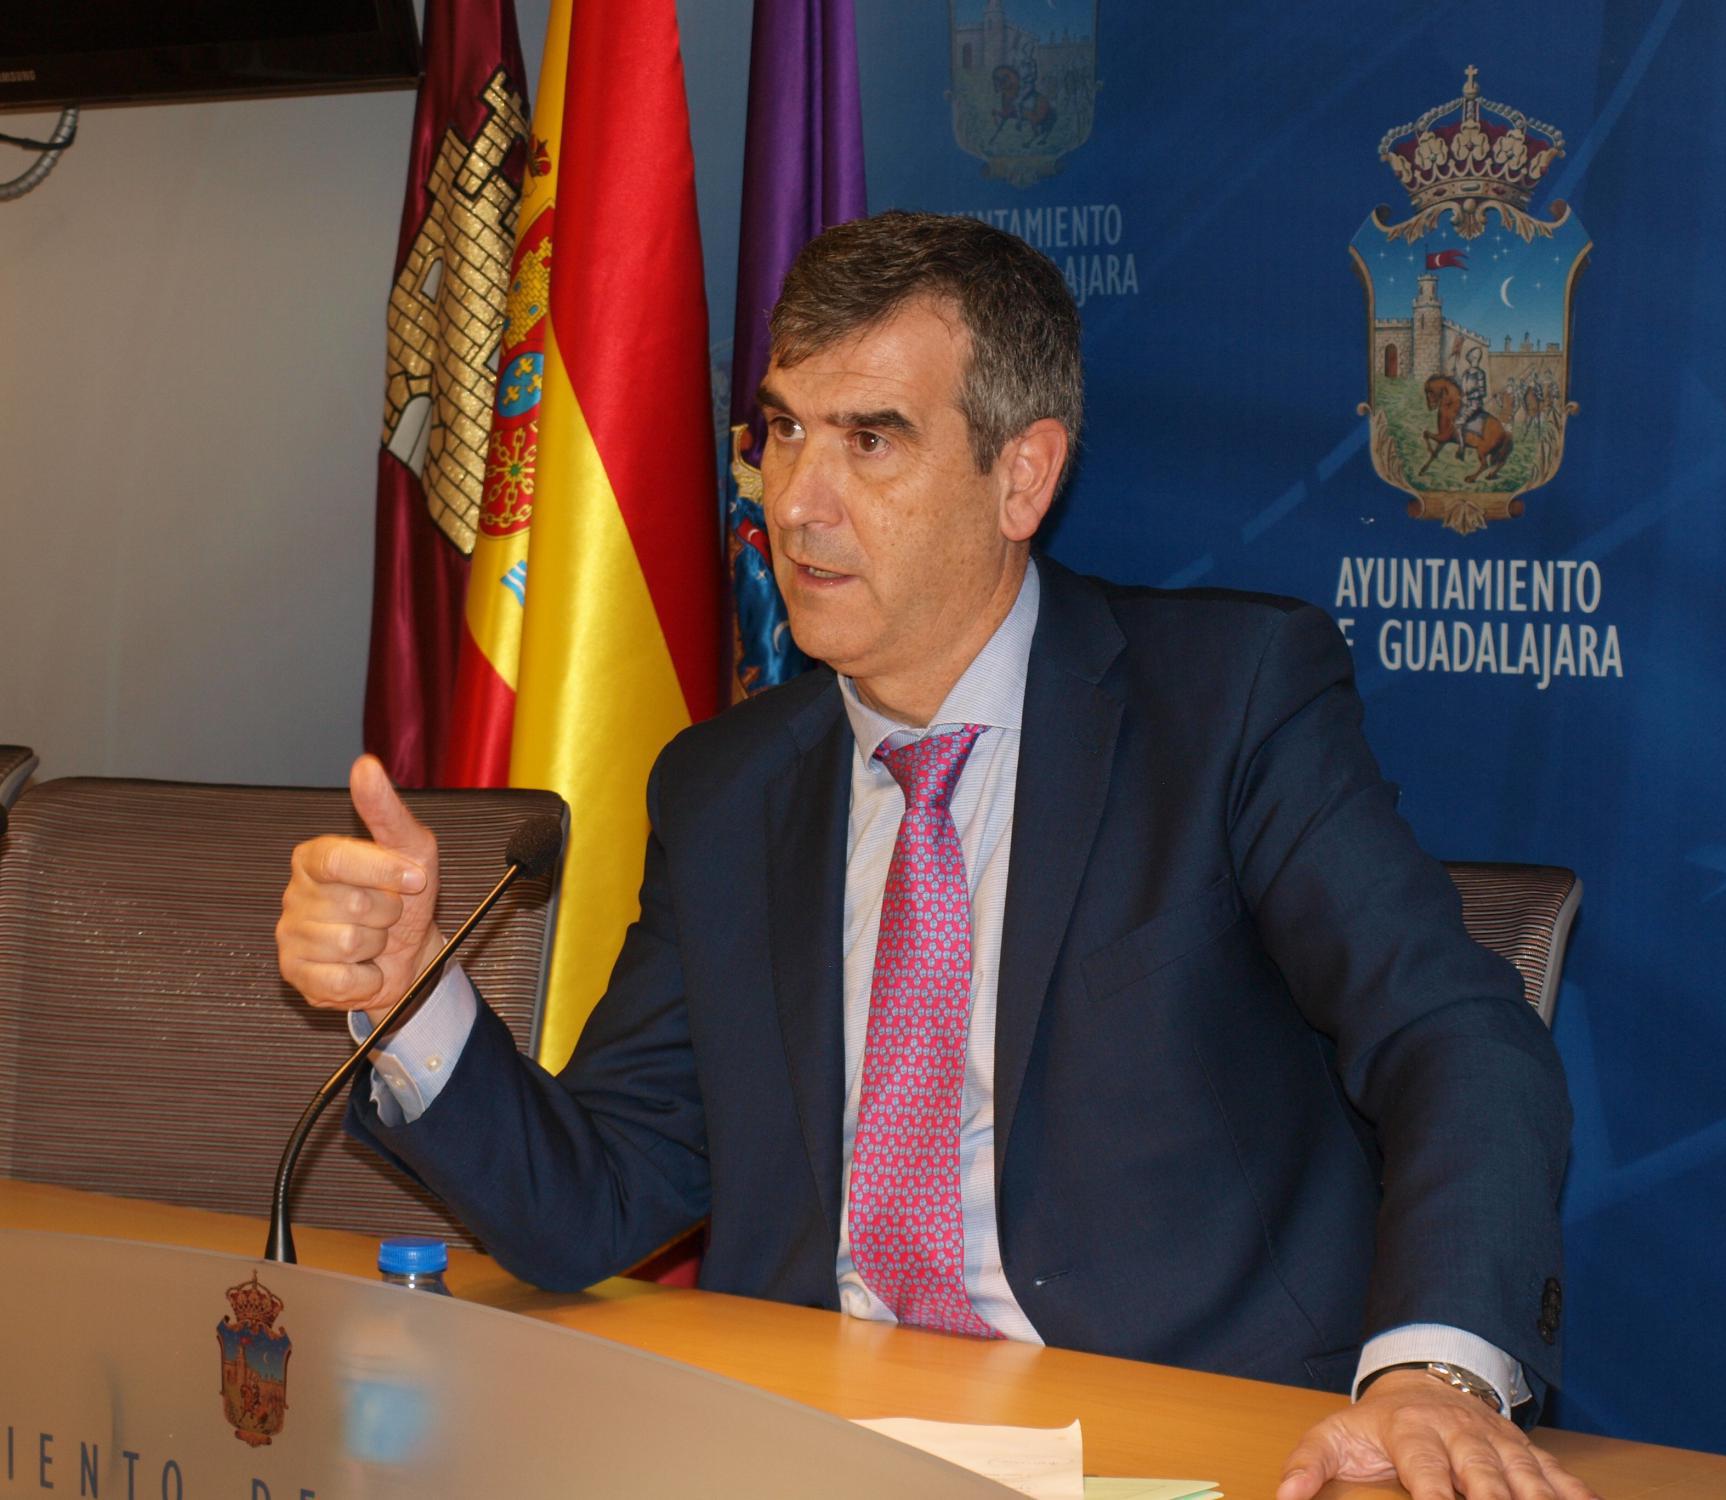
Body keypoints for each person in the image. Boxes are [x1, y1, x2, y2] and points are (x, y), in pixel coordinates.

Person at [277, 212, 1583, 1500]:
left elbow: (1455, 1039)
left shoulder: (1226, 703)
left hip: (1173, 1444)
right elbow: (601, 1199)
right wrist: (412, 998)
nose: (797, 503)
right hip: (811, 1446)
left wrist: (1433, 1374)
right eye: (783, 431)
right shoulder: (728, 788)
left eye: (871, 441)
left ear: (1023, 478)